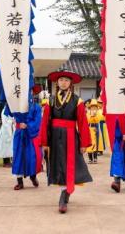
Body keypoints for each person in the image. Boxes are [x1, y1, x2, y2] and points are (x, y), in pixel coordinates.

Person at [40, 70, 92, 213]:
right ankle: (65, 192)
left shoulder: (78, 101)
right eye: (61, 80)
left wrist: (84, 143)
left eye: (66, 80)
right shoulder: (50, 100)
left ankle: (64, 195)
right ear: (57, 82)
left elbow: (82, 122)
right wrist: (44, 141)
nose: (63, 82)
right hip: (55, 137)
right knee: (58, 165)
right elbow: (44, 122)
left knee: (71, 165)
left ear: (71, 83)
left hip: (71, 136)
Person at [11, 85, 44, 190]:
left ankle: (33, 176)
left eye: (29, 91)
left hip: (31, 136)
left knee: (32, 157)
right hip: (19, 134)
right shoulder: (15, 107)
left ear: (33, 93)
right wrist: (19, 123)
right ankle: (19, 181)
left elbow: (38, 121)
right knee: (18, 157)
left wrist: (28, 125)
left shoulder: (37, 107)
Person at [0, 103, 15, 168]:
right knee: (5, 147)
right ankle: (6, 162)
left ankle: (12, 161)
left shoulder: (11, 111)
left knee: (11, 147)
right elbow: (5, 121)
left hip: (11, 130)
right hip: (6, 131)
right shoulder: (4, 111)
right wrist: (11, 122)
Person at [86, 99, 101, 164]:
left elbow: (98, 120)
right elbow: (87, 120)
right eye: (92, 106)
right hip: (89, 129)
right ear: (90, 107)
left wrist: (94, 116)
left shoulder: (97, 113)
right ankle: (90, 158)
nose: (94, 108)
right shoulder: (88, 113)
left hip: (95, 129)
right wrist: (91, 116)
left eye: (95, 106)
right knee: (89, 144)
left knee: (95, 144)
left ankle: (95, 158)